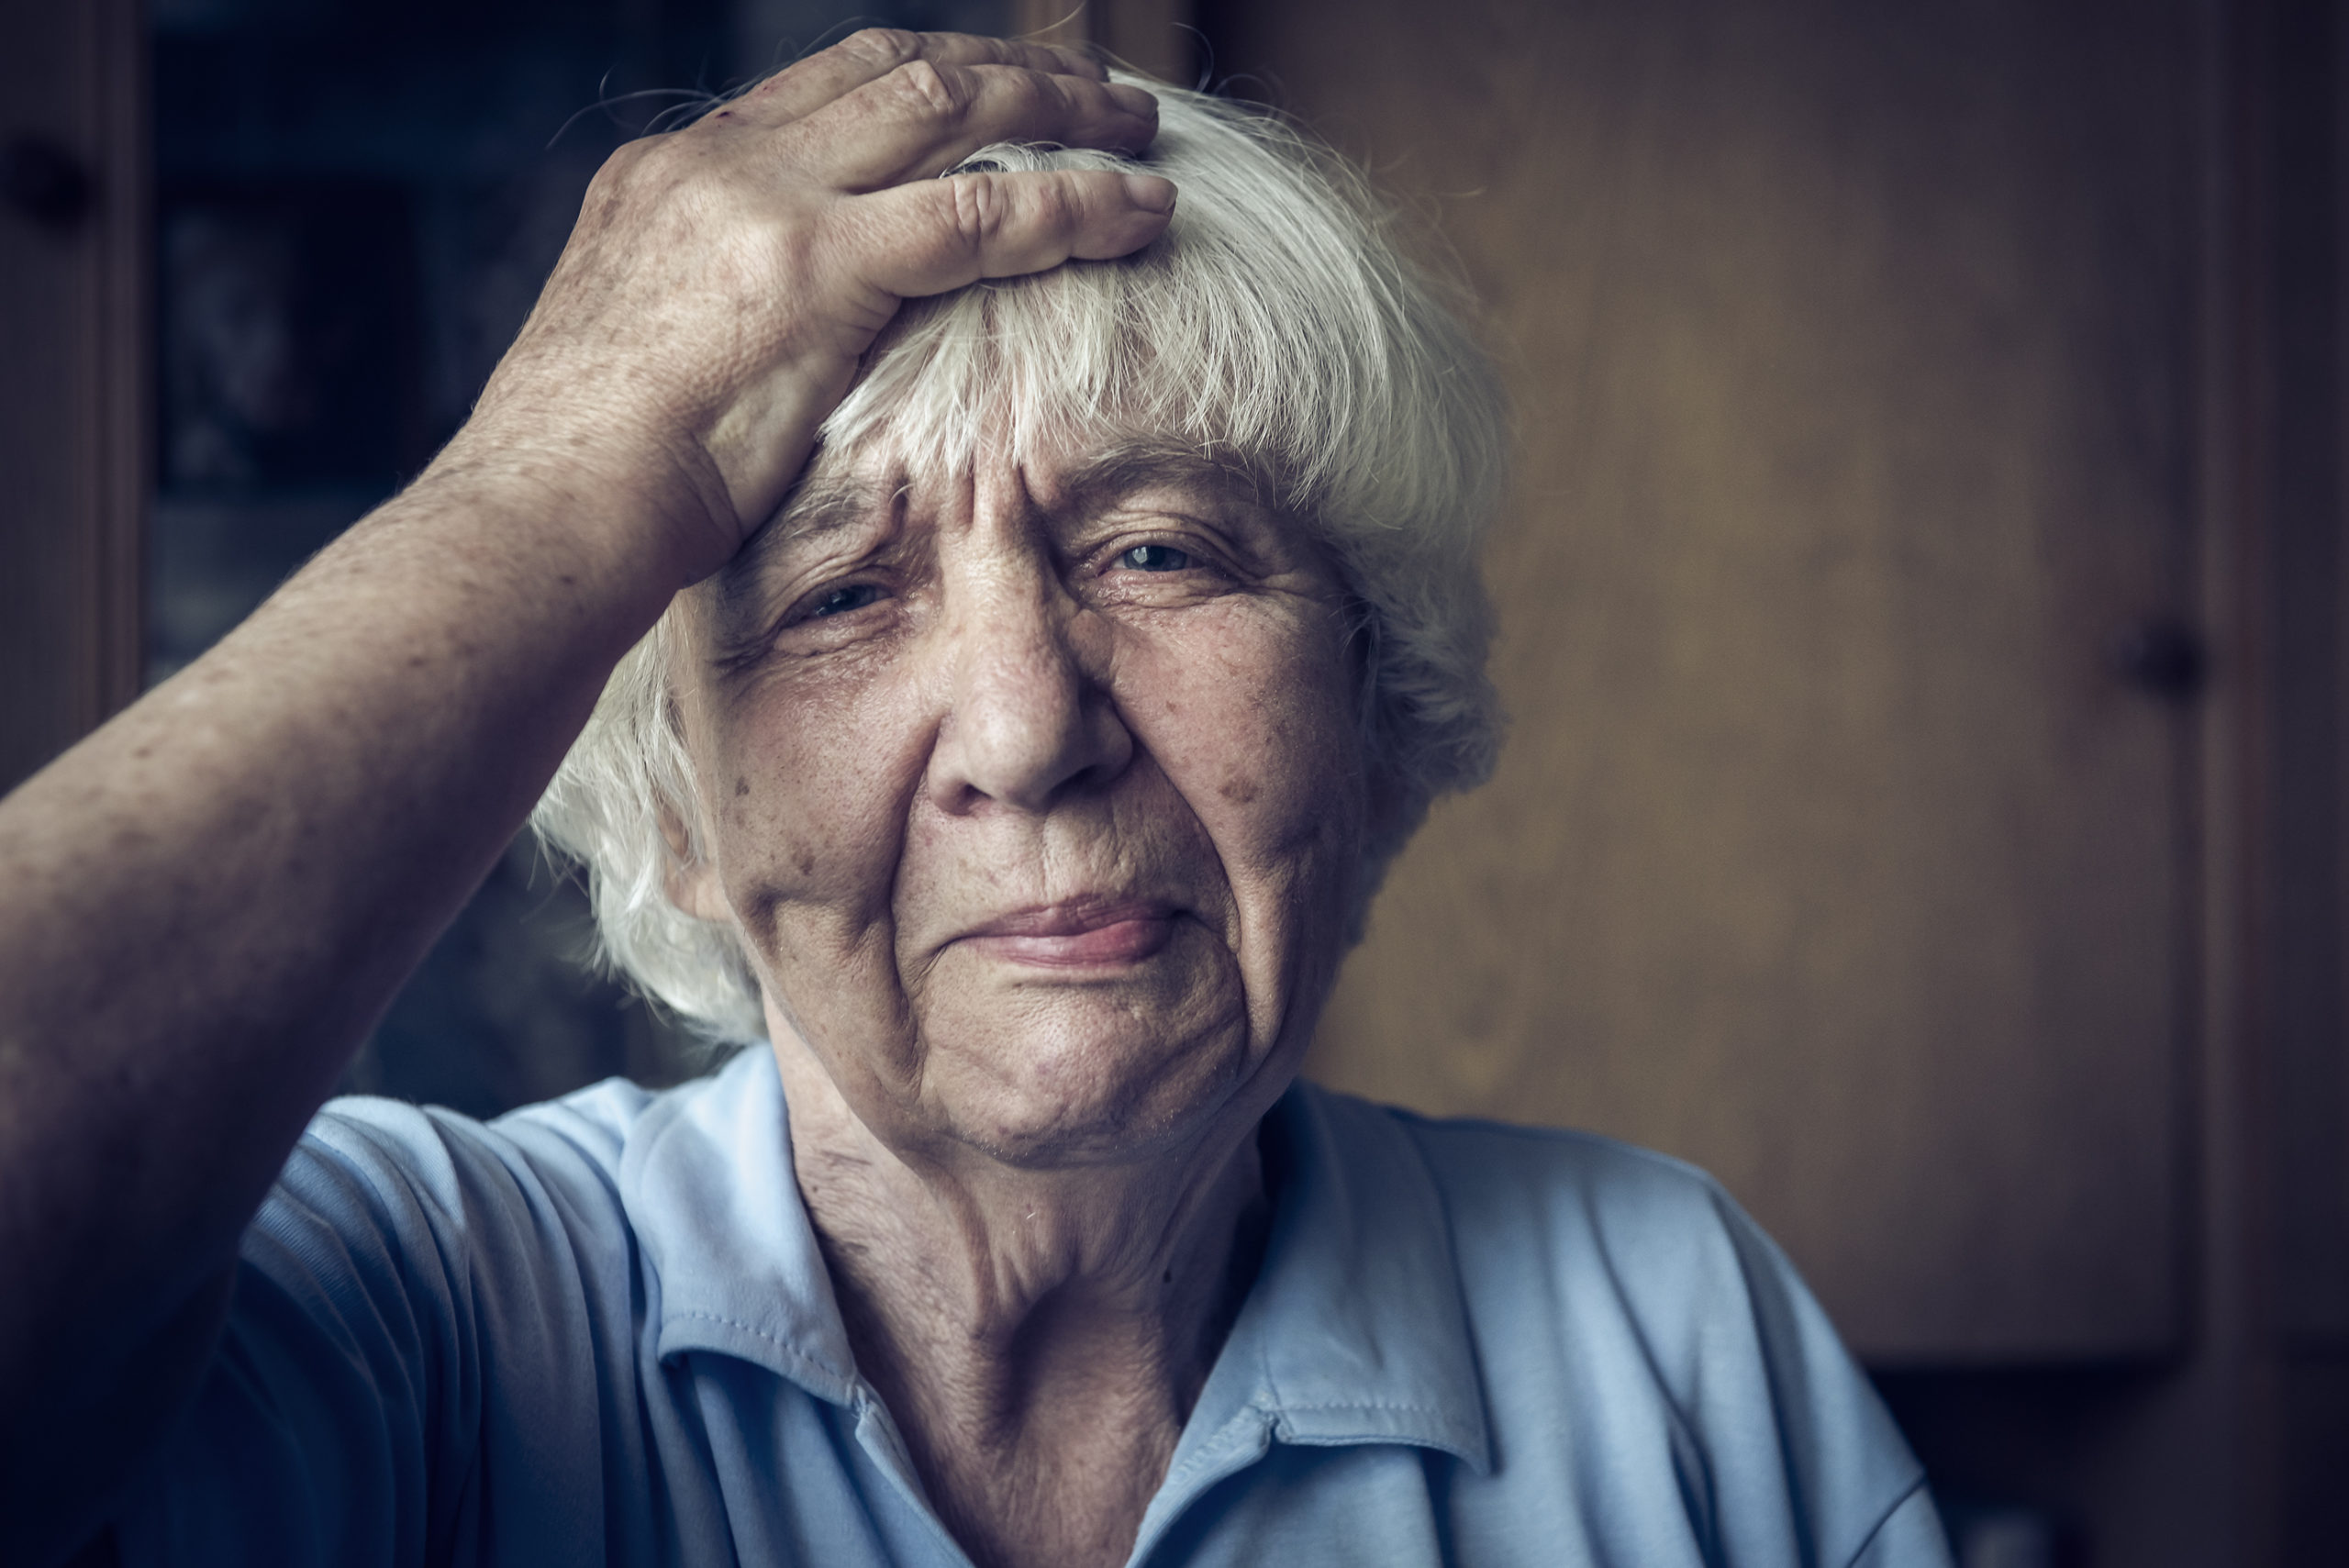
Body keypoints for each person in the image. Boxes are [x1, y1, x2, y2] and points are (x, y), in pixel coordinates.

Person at [0, 30, 1949, 1568]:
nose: (1027, 733)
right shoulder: (426, 1312)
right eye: (842, 596)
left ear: (1376, 706)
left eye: (1163, 554)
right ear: (672, 809)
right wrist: (553, 479)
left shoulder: (1660, 1328)